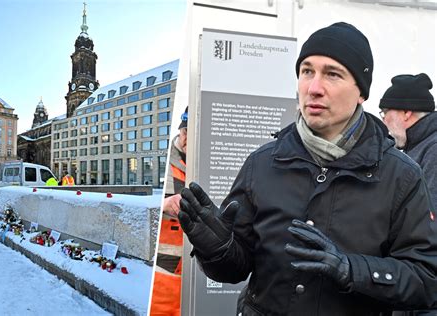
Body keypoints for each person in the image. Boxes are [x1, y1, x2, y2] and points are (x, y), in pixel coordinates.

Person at [178, 22, 437, 315]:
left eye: (333, 74)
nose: (314, 88)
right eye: (307, 72)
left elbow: (426, 280)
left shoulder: (400, 175)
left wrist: (352, 270)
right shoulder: (261, 163)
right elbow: (235, 269)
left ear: (361, 92)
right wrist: (217, 248)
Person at [150, 106, 188, 316]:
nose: (187, 139)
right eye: (184, 132)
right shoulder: (167, 163)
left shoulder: (206, 163)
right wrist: (165, 204)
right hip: (163, 278)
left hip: (194, 280)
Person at [379, 73, 436, 206]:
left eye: (385, 113)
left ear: (406, 113)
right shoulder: (420, 145)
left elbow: (429, 217)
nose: (384, 121)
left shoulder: (433, 150)